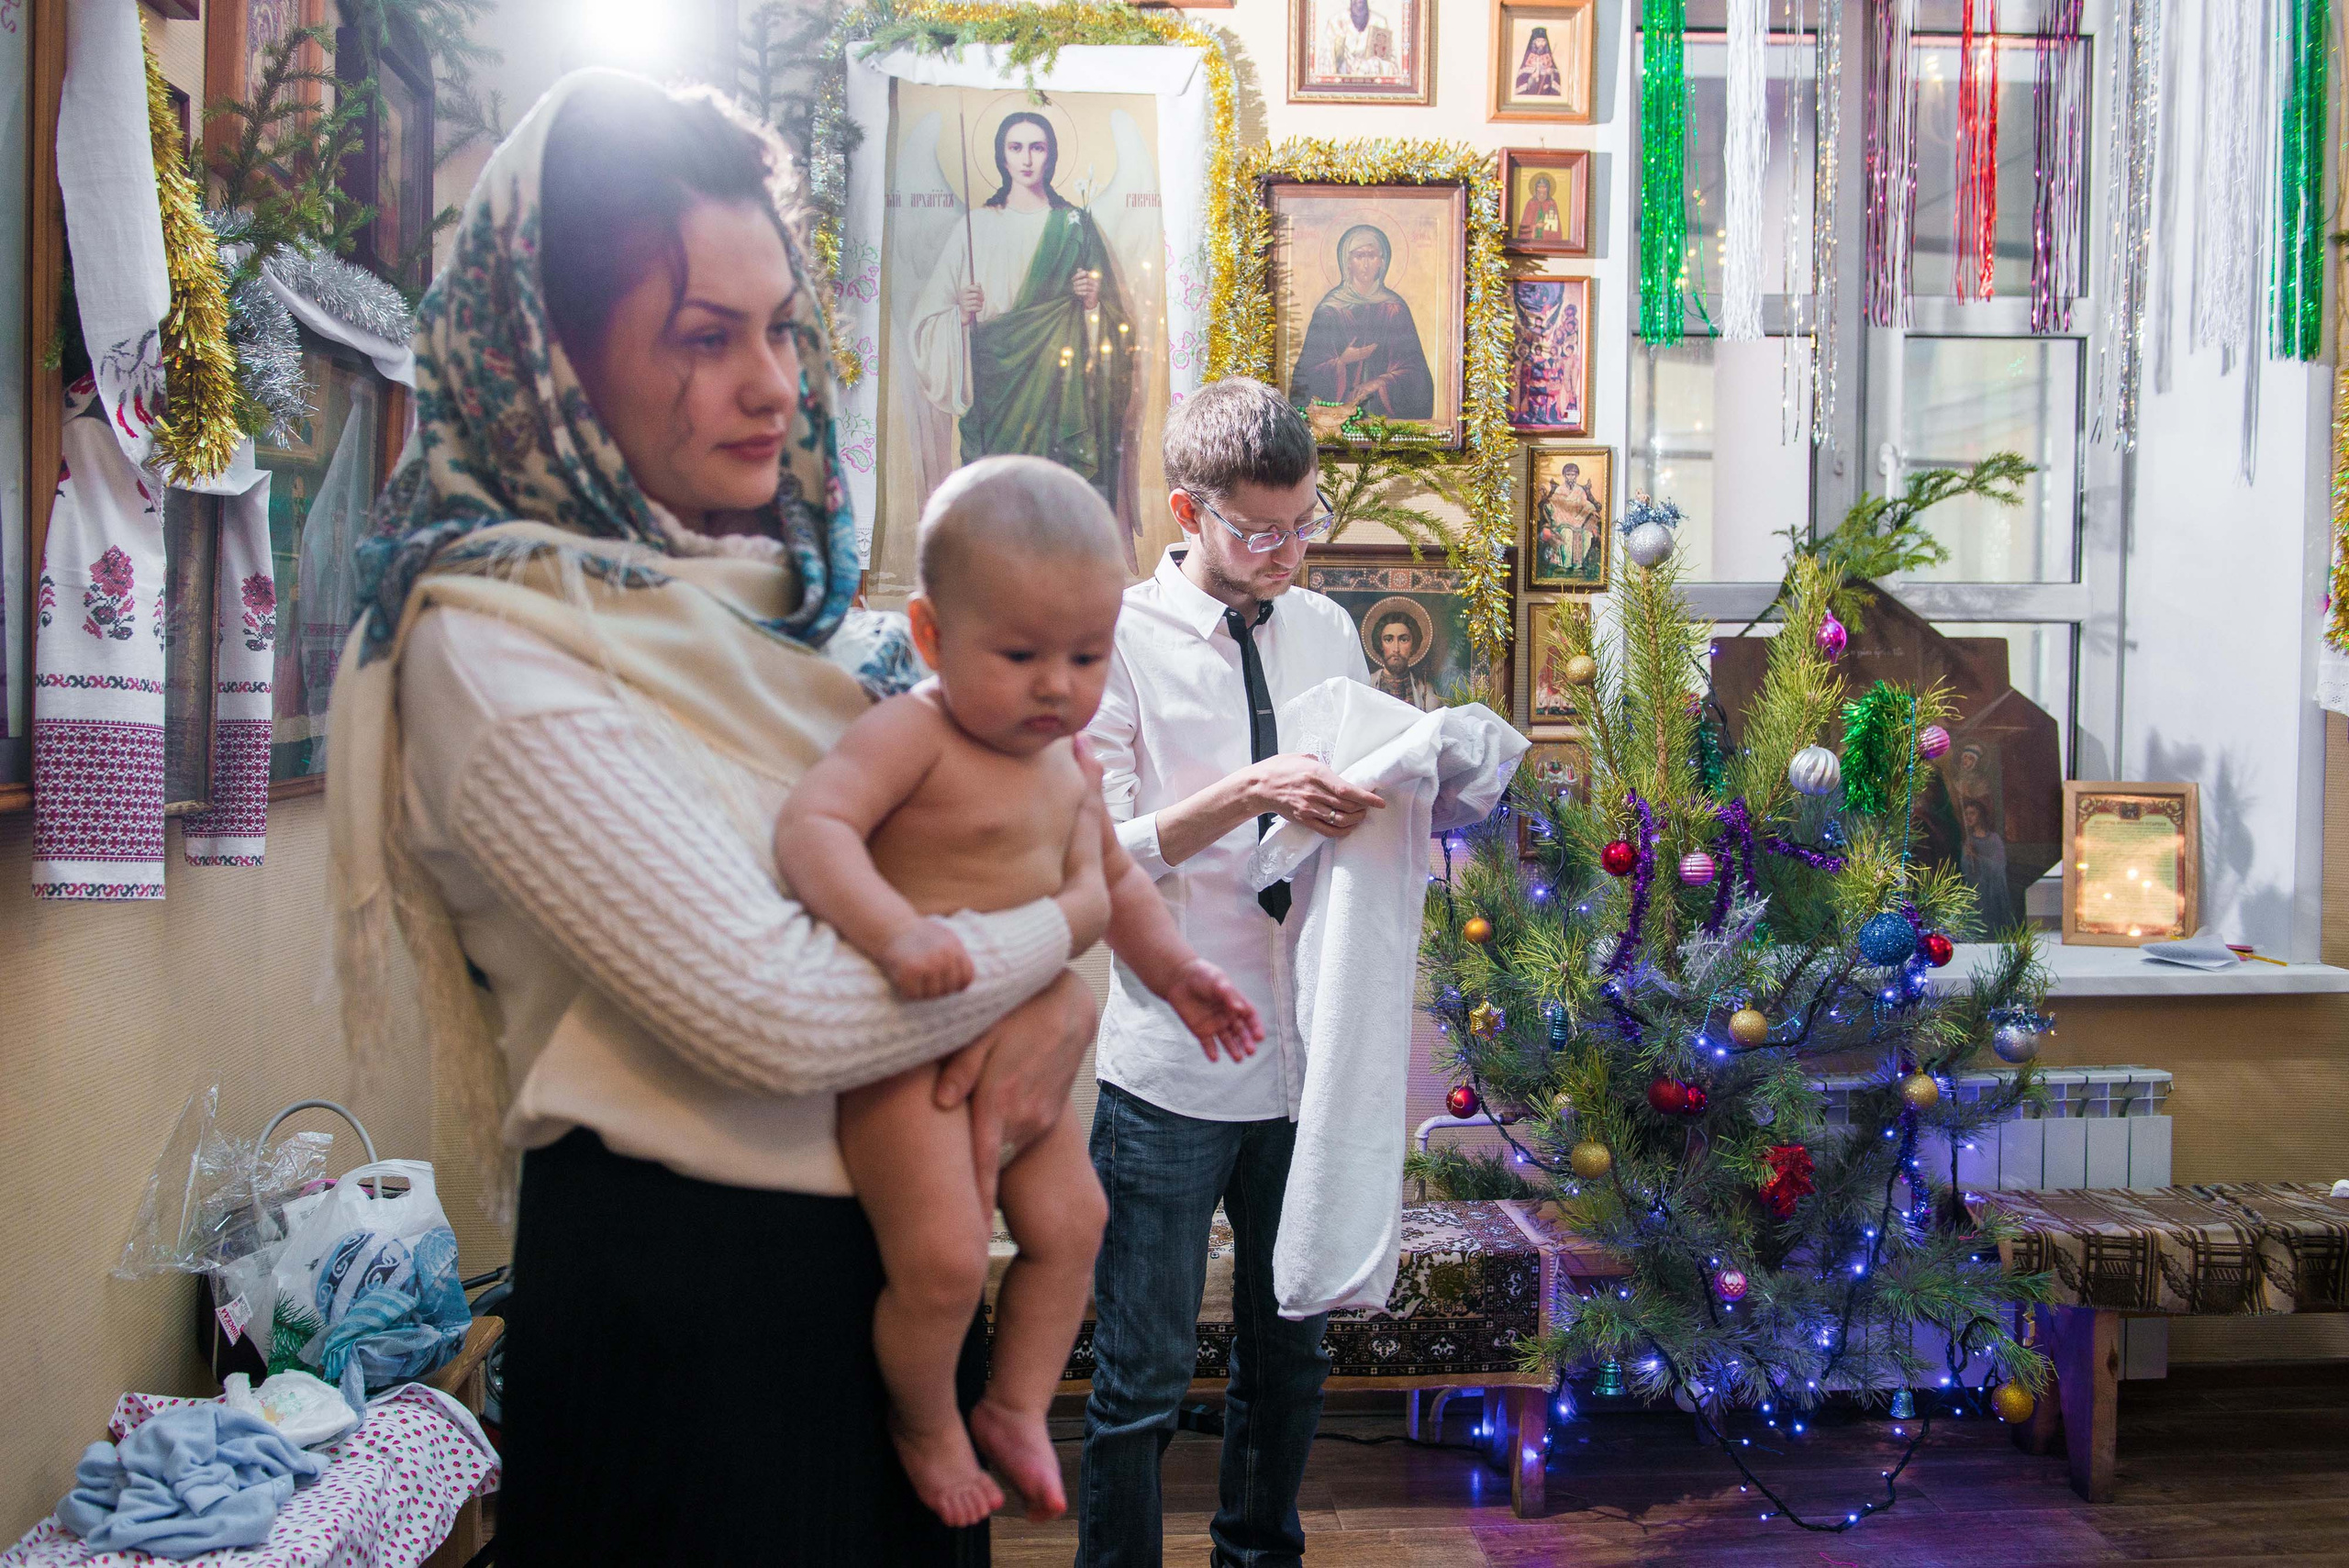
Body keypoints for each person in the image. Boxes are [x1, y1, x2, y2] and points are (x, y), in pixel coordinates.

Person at [329, 72, 1106, 1565]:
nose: (769, 384)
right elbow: (782, 1012)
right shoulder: (493, 646)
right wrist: (1064, 941)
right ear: (550, 355)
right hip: (692, 1323)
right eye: (703, 337)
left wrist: (1063, 998)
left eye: (781, 330)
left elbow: (1022, 834)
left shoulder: (796, 617)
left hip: (889, 1288)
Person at [770, 456, 1264, 1528]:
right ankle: (925, 1419)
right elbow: (812, 827)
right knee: (946, 1260)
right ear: (934, 637)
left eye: (1087, 655)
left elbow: (1118, 881)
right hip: (910, 1054)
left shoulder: (1066, 760)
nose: (1057, 684)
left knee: (1074, 1223)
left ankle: (1015, 1403)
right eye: (1022, 653)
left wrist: (1179, 975)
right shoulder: (913, 731)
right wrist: (893, 929)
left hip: (1027, 1048)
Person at [1080, 377, 1387, 1568]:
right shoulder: (1118, 639)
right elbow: (1105, 848)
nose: (1287, 551)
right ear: (1186, 509)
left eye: (1305, 522)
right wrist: (1251, 790)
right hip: (1167, 1061)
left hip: (1301, 1055)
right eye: (1260, 530)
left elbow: (1348, 804)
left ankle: (1259, 1557)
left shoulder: (1327, 631)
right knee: (1140, 1376)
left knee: (1289, 1356)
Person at [908, 110, 1136, 532]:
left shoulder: (1074, 225)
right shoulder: (975, 226)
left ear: (1051, 155)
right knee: (994, 511)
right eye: (1016, 147)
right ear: (1002, 156)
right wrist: (960, 315)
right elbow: (926, 324)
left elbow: (1117, 332)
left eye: (1037, 147)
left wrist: (1091, 306)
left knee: (1050, 512)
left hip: (1057, 396)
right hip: (994, 395)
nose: (1027, 159)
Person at [1287, 225, 1436, 421]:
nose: (1366, 264)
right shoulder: (1329, 310)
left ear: (1382, 262)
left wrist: (1379, 383)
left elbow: (1416, 374)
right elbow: (1306, 375)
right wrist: (1342, 362)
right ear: (1347, 262)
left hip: (1384, 420)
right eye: (1359, 256)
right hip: (1335, 422)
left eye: (1371, 256)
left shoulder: (1394, 309)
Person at [1365, 599, 1442, 711]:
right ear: (1380, 644)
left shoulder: (1425, 691)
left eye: (1403, 640)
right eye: (1388, 640)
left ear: (1413, 644)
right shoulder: (1368, 685)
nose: (1396, 649)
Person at [1319, 0, 1399, 78]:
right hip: (1342, 87)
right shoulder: (1335, 23)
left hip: (1372, 86)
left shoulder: (1379, 23)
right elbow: (1326, 66)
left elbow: (1390, 69)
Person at [1515, 26, 1564, 96]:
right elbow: (1522, 78)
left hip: (1546, 92)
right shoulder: (1528, 57)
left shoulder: (1548, 57)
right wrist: (1531, 77)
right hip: (1531, 92)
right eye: (1538, 41)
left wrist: (1551, 72)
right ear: (1534, 43)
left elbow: (1556, 75)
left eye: (1543, 41)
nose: (1541, 44)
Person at [1517, 172, 1563, 244]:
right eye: (1539, 187)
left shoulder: (1552, 203)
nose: (1541, 190)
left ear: (1548, 189)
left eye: (1544, 187)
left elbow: (1557, 227)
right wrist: (1535, 226)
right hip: (1532, 241)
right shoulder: (1531, 203)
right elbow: (1524, 226)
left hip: (1547, 240)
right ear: (1536, 188)